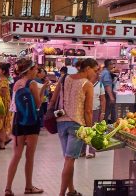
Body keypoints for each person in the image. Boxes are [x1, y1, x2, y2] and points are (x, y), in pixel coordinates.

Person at [54, 57, 100, 196]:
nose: (96, 73)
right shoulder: (87, 84)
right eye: (95, 70)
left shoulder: (65, 78)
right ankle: (62, 193)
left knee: (69, 160)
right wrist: (90, 129)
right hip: (77, 124)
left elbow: (54, 97)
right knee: (70, 160)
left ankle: (71, 190)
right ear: (87, 68)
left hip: (61, 122)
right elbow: (87, 111)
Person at [4, 57, 44, 196]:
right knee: (30, 156)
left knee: (16, 155)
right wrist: (43, 90)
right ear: (30, 70)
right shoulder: (32, 84)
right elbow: (38, 104)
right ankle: (28, 186)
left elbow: (14, 105)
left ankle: (8, 188)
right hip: (32, 122)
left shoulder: (16, 84)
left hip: (17, 121)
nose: (37, 71)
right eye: (35, 69)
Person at [0, 62, 13, 150]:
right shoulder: (2, 80)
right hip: (3, 103)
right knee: (2, 123)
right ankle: (6, 139)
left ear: (3, 71)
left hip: (3, 104)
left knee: (1, 124)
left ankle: (2, 144)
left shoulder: (3, 81)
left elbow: (3, 94)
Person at [85, 73, 106, 158]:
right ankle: (82, 150)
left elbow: (103, 99)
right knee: (83, 130)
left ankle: (91, 151)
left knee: (93, 131)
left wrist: (103, 112)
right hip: (84, 111)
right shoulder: (84, 84)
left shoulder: (100, 85)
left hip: (95, 110)